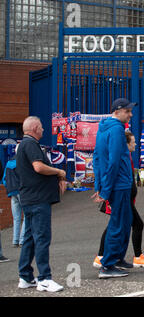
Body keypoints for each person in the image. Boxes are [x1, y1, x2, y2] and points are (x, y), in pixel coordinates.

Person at [16, 116, 66, 292]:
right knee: (42, 238)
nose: (44, 130)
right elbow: (38, 167)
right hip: (38, 200)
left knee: (29, 238)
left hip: (30, 199)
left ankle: (25, 276)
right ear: (35, 127)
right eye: (42, 127)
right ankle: (44, 278)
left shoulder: (24, 144)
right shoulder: (30, 144)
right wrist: (59, 171)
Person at [93, 131, 144, 268]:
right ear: (126, 144)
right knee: (134, 224)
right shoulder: (121, 157)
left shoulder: (127, 157)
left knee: (118, 225)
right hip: (122, 197)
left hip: (126, 198)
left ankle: (106, 256)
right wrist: (105, 192)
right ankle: (134, 257)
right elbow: (111, 173)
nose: (135, 144)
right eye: (133, 142)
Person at [92, 98, 136, 279]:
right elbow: (114, 161)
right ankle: (108, 265)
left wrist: (100, 186)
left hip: (115, 184)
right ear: (117, 112)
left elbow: (96, 157)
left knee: (125, 221)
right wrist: (104, 190)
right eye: (127, 111)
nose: (130, 114)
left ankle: (116, 258)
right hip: (120, 184)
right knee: (118, 223)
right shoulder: (117, 129)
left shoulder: (103, 129)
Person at [2, 146, 26, 247]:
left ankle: (15, 241)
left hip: (12, 192)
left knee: (16, 218)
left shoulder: (8, 163)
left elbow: (4, 179)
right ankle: (22, 240)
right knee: (27, 217)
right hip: (22, 191)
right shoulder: (23, 162)